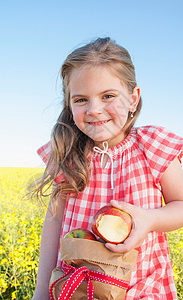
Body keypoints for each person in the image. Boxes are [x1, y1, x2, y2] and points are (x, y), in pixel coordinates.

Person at [32, 37, 183, 299]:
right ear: (69, 104)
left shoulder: (152, 145)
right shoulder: (67, 155)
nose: (94, 109)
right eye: (81, 100)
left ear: (133, 99)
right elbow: (53, 224)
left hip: (141, 288)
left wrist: (151, 220)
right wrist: (41, 292)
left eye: (108, 96)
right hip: (77, 288)